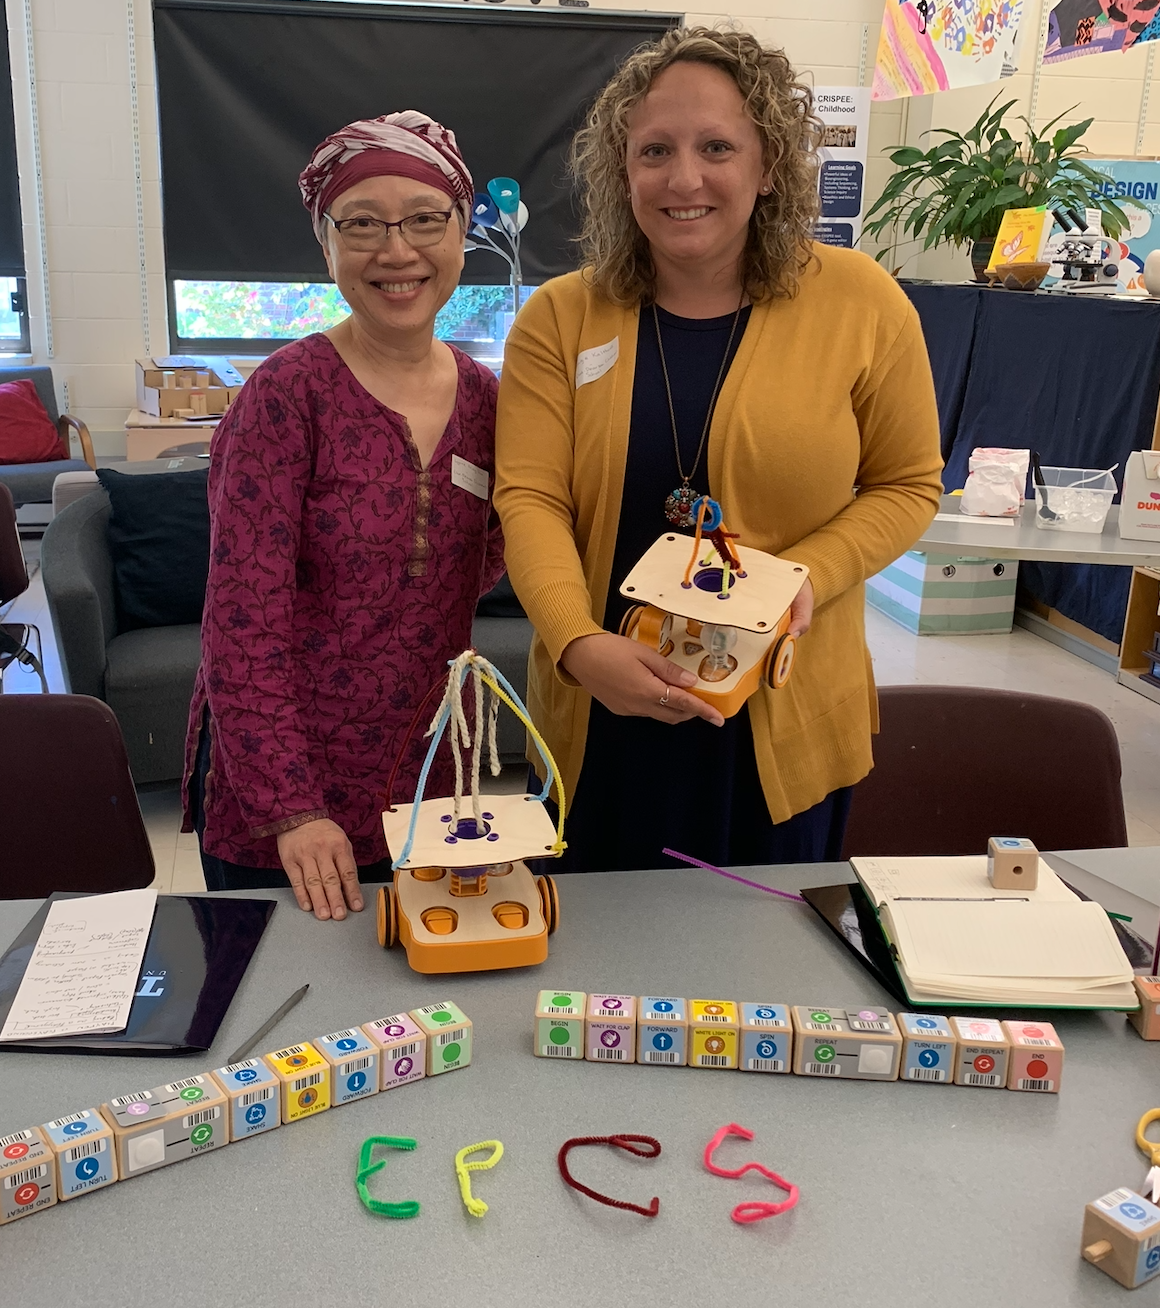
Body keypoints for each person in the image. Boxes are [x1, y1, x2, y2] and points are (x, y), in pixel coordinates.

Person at [494, 28, 944, 873]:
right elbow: (530, 498)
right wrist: (578, 644)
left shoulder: (862, 303)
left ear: (769, 166)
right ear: (620, 171)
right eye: (654, 150)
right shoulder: (559, 318)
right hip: (604, 708)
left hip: (781, 707)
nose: (684, 178)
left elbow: (909, 483)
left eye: (717, 147)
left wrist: (804, 576)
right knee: (598, 984)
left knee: (770, 978)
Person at [183, 111, 505, 920]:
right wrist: (291, 806)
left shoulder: (488, 401)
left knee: (416, 1019)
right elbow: (240, 618)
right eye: (362, 224)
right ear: (324, 244)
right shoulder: (287, 397)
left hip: (426, 773)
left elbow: (503, 551)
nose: (396, 251)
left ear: (463, 231)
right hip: (286, 783)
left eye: (426, 220)